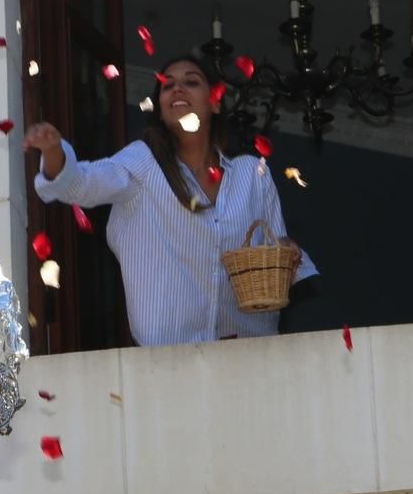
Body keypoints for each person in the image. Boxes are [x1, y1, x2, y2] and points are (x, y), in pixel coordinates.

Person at [24, 56, 315, 346]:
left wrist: (288, 253)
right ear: (161, 111)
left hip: (251, 359)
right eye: (167, 86)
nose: (177, 89)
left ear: (214, 103)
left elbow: (279, 267)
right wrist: (53, 153)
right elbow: (83, 184)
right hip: (167, 367)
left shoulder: (253, 174)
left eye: (191, 82)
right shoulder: (142, 163)